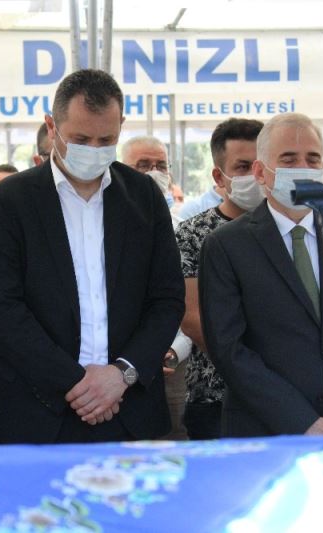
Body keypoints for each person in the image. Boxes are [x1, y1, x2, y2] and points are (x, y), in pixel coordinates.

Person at [0, 69, 184, 444]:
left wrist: (122, 374)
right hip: (32, 411)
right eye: (81, 139)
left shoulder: (144, 197)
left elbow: (167, 298)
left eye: (106, 140)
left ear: (121, 126)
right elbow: (3, 308)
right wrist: (78, 384)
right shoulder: (8, 202)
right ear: (52, 127)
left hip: (128, 409)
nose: (94, 149)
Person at [199, 113, 323, 437]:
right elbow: (229, 349)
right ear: (260, 172)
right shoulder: (226, 245)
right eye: (289, 159)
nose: (303, 168)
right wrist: (302, 422)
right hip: (267, 432)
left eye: (313, 159)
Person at [176, 117, 263, 440]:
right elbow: (192, 318)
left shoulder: (290, 230)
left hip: (292, 396)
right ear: (218, 176)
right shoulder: (192, 233)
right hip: (216, 397)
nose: (254, 175)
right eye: (242, 167)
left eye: (260, 165)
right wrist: (256, 373)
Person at [120, 135, 190, 440]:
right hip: (116, 365)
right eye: (143, 165)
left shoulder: (182, 227)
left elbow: (186, 302)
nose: (154, 172)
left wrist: (173, 350)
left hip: (172, 363)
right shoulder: (109, 225)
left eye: (161, 165)